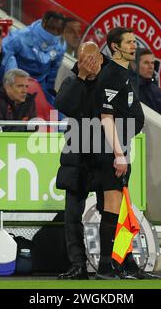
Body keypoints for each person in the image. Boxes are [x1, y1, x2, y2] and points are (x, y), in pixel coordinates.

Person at [95, 27, 153, 279]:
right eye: (128, 42)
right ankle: (105, 267)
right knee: (112, 207)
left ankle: (125, 262)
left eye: (134, 41)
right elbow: (106, 118)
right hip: (109, 149)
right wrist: (118, 154)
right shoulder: (110, 75)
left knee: (121, 210)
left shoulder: (124, 74)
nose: (134, 45)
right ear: (114, 47)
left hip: (120, 146)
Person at [55, 41, 105, 280]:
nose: (88, 64)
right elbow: (63, 105)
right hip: (77, 157)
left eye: (92, 59)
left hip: (105, 157)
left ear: (101, 59)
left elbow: (134, 116)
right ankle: (78, 265)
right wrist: (81, 77)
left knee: (113, 214)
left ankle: (113, 263)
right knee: (72, 215)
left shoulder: (112, 82)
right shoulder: (71, 81)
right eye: (83, 60)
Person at [3, 10, 66, 105]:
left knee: (56, 115)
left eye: (59, 30)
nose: (54, 32)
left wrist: (48, 92)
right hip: (16, 85)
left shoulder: (61, 46)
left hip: (40, 88)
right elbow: (4, 61)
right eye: (51, 28)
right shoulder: (20, 37)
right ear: (43, 23)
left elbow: (53, 73)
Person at [129, 48, 161, 123]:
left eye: (152, 63)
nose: (151, 67)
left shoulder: (156, 90)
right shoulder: (127, 88)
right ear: (134, 65)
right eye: (146, 63)